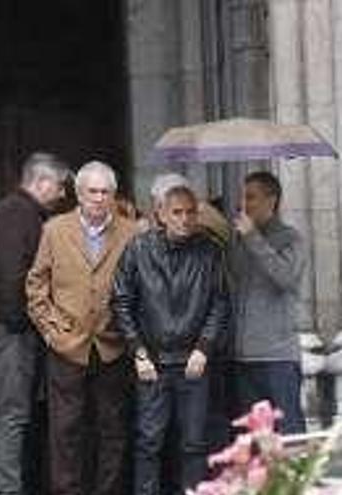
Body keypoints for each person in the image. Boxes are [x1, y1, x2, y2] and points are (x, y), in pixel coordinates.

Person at [26, 161, 137, 495]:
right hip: (67, 345)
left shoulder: (133, 230)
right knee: (65, 430)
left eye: (106, 192)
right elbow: (36, 284)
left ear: (114, 195)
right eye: (93, 191)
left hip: (113, 342)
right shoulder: (55, 229)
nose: (100, 198)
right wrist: (49, 330)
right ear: (79, 194)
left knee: (113, 429)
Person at [112, 183, 229, 495]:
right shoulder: (139, 248)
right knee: (148, 442)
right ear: (160, 214)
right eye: (177, 212)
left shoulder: (209, 250)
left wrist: (204, 348)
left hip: (193, 360)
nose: (185, 219)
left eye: (191, 212)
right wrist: (138, 352)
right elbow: (121, 301)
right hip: (152, 360)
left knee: (194, 442)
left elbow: (220, 303)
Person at [0, 152, 69, 495]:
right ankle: (9, 489)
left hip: (12, 326)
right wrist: (22, 322)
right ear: (41, 182)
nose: (63, 194)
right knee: (12, 413)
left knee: (16, 412)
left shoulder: (20, 212)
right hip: (10, 329)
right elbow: (12, 272)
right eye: (60, 186)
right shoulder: (18, 213)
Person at [229, 171, 307, 434]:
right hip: (244, 357)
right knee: (253, 441)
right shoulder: (240, 240)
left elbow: (284, 277)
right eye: (242, 197)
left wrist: (253, 238)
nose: (244, 204)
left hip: (277, 357)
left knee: (288, 435)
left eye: (251, 197)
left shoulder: (290, 238)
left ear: (271, 201)